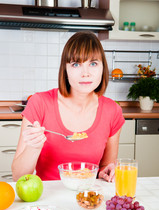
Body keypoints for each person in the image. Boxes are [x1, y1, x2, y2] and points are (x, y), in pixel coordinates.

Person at [12, 31, 125, 182]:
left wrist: (108, 171)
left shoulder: (113, 111)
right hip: (47, 199)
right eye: (76, 64)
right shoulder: (40, 103)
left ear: (102, 68)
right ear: (65, 70)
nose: (86, 73)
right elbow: (18, 176)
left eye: (93, 63)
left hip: (88, 198)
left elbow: (105, 165)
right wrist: (34, 147)